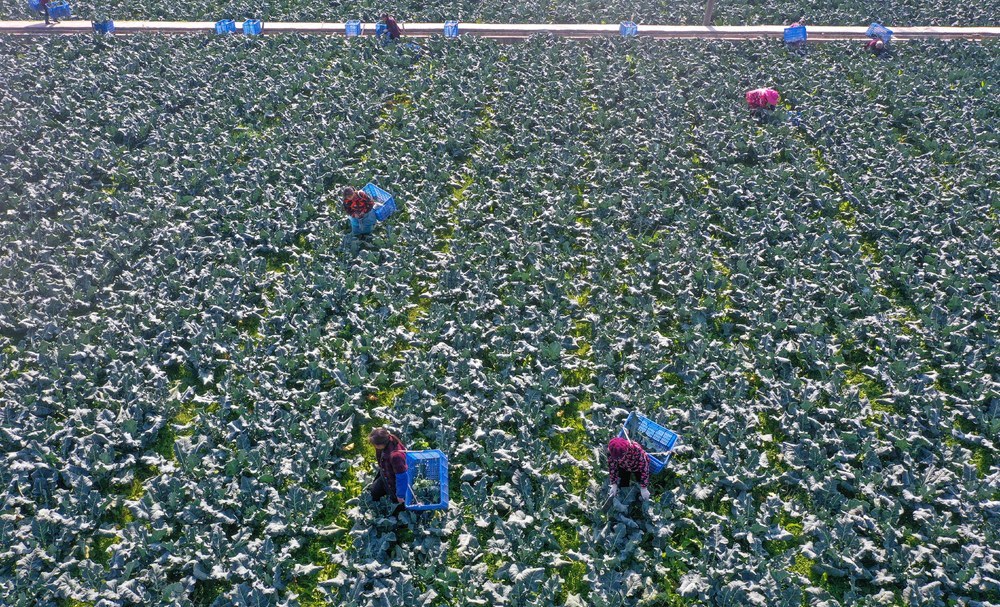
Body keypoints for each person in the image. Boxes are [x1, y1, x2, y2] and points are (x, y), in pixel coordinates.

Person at [368, 428, 408, 514]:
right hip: (385, 475)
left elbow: (402, 477)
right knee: (373, 492)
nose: (374, 447)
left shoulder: (395, 456)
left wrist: (400, 495)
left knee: (398, 510)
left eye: (374, 445)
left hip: (394, 484)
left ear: (380, 444)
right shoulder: (386, 442)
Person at [607, 436, 651, 500]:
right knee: (623, 483)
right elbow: (612, 467)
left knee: (641, 480)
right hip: (624, 467)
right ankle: (624, 496)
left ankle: (643, 494)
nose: (618, 460)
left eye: (621, 457)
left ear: (626, 450)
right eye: (616, 459)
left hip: (637, 466)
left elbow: (644, 467)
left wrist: (644, 488)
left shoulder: (636, 449)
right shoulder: (611, 452)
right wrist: (614, 484)